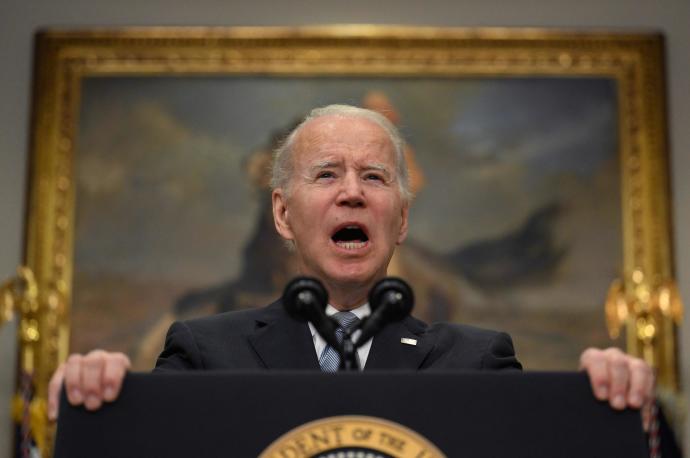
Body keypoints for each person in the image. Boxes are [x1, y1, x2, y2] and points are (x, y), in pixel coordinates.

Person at [48, 104, 655, 428]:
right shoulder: (204, 352)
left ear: (402, 220)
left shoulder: (478, 359)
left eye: (374, 177)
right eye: (327, 174)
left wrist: (600, 401)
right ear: (282, 216)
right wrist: (99, 393)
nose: (352, 193)